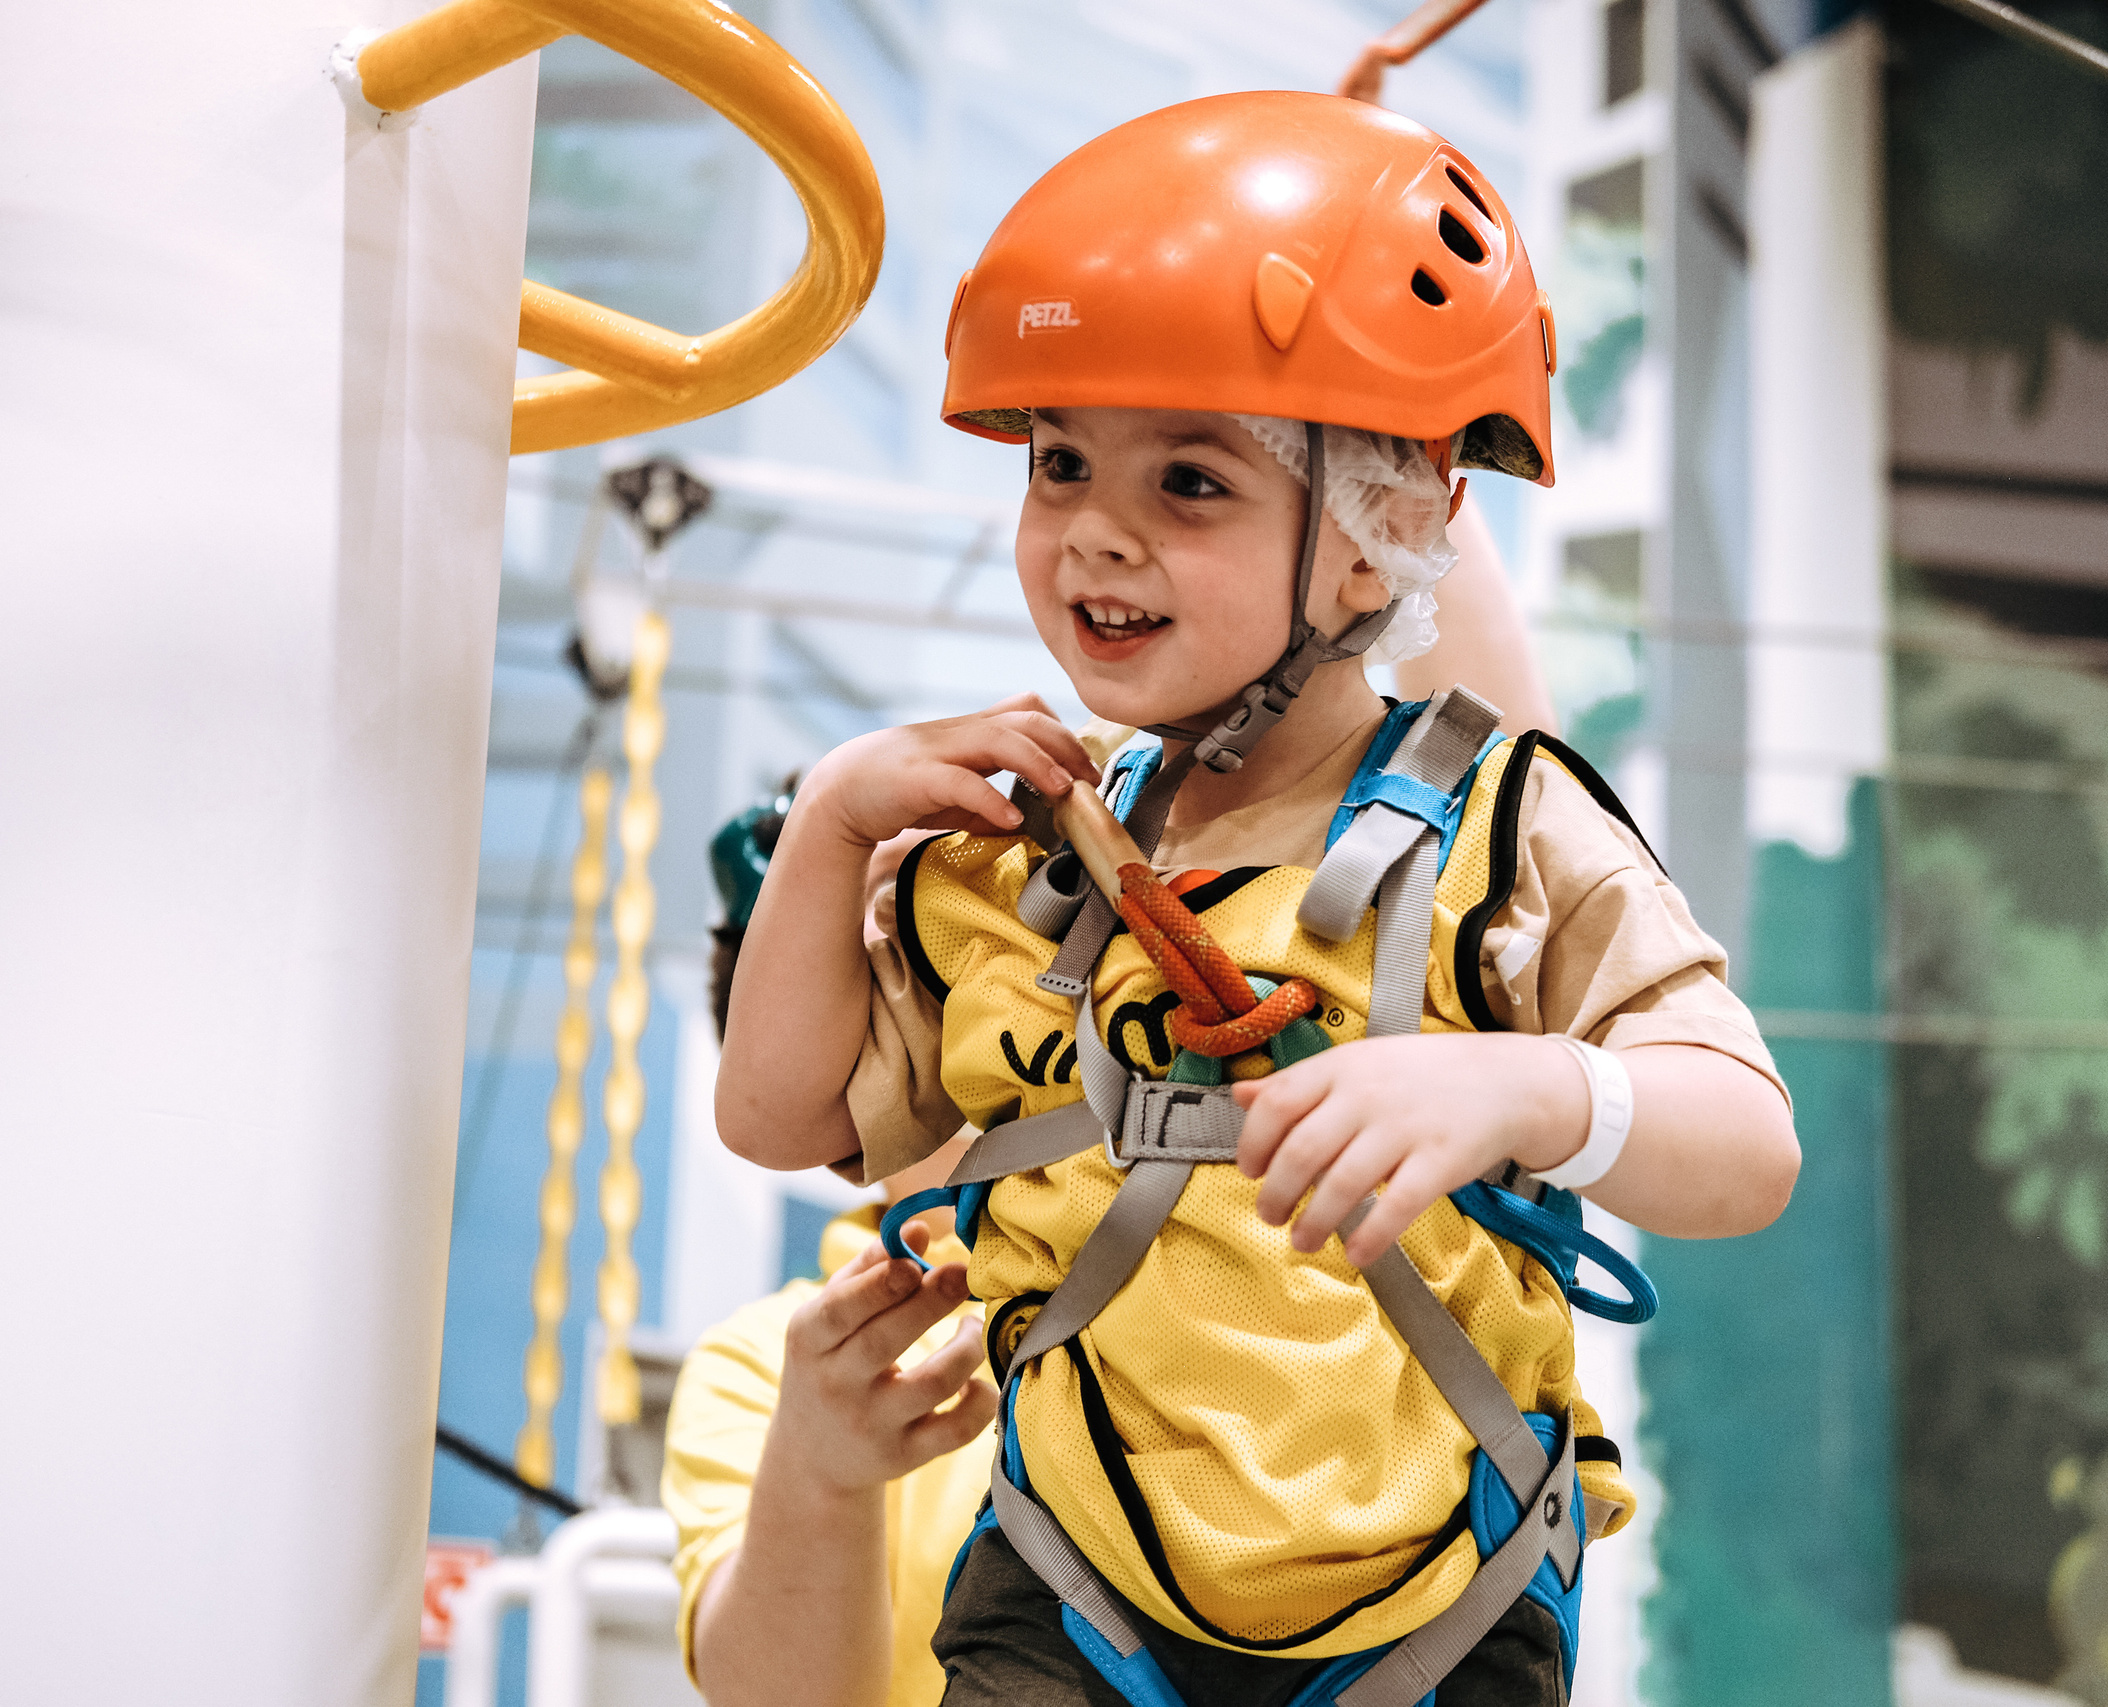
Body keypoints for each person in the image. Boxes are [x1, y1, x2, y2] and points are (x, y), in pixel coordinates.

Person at [715, 92, 1798, 1707]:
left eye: (1191, 482)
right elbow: (776, 1115)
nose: (1096, 532)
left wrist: (1518, 1086)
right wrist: (829, 825)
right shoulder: (1026, 849)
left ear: (1379, 536)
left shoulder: (1504, 827)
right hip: (1070, 1591)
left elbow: (1748, 1147)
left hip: (1436, 1609)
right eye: (1061, 463)